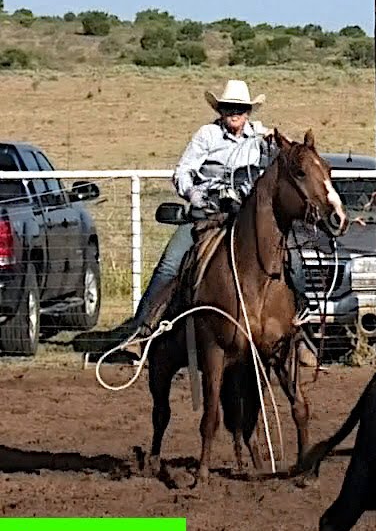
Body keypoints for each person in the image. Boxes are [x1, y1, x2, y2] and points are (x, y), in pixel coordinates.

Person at [86, 80, 316, 364]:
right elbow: (182, 171)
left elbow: (290, 161)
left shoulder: (261, 137)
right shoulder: (207, 135)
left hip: (249, 215)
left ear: (248, 112)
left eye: (241, 109)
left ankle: (300, 327)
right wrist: (195, 193)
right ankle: (141, 333)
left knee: (290, 256)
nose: (235, 113)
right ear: (220, 110)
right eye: (230, 108)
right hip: (209, 212)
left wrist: (278, 144)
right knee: (172, 262)